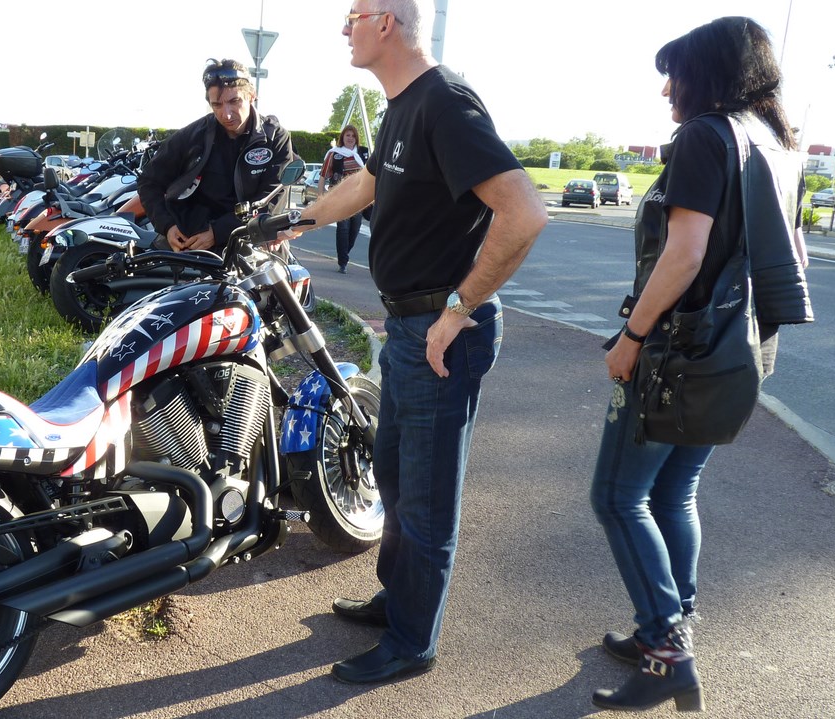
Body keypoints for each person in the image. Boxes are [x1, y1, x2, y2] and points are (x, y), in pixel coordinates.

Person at [285, 0, 547, 684]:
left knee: (426, 498)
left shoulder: (445, 102)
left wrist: (461, 309)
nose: (343, 25)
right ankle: (399, 597)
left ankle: (413, 640)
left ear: (388, 22)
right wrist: (294, 220)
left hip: (439, 334)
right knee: (396, 477)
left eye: (353, 13)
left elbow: (524, 211)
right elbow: (367, 186)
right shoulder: (401, 105)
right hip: (406, 328)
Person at [589, 17, 811, 712]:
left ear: (710, 74)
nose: (665, 88)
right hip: (741, 350)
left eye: (675, 72)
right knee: (672, 493)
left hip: (678, 353)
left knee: (617, 496)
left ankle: (665, 649)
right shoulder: (777, 142)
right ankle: (673, 619)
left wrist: (631, 335)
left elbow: (685, 253)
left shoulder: (705, 137)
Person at [137, 59, 295, 253]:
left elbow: (271, 199)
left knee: (291, 277)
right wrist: (167, 226)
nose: (226, 114)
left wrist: (218, 232)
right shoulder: (192, 135)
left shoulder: (274, 138)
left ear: (252, 95)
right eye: (217, 105)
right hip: (188, 241)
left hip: (246, 239)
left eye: (234, 101)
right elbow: (148, 181)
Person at [319, 124, 370, 272]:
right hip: (340, 197)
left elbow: (371, 174)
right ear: (342, 137)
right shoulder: (334, 154)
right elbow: (323, 175)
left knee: (355, 228)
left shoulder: (363, 153)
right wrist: (321, 196)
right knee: (343, 228)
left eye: (353, 136)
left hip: (359, 197)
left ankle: (344, 254)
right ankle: (343, 262)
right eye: (348, 135)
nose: (350, 138)